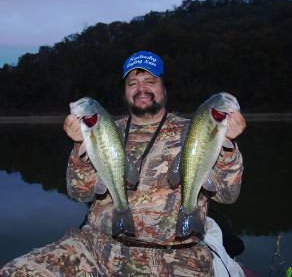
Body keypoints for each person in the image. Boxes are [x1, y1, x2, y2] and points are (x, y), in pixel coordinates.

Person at [0, 51, 246, 276]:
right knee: (17, 272)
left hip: (177, 257)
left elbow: (227, 195)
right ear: (125, 91)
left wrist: (228, 147)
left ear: (163, 87)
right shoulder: (107, 129)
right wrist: (79, 148)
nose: (142, 88)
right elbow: (79, 192)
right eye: (133, 83)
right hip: (98, 249)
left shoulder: (191, 130)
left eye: (150, 81)